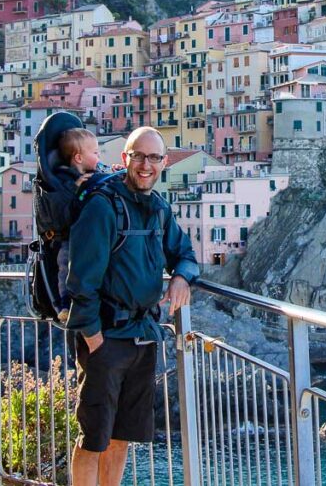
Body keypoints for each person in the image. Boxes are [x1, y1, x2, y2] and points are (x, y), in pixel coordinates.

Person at [65, 126, 199, 486]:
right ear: (124, 159)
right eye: (138, 156)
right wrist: (94, 340)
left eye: (153, 158)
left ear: (164, 162)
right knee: (94, 438)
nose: (145, 165)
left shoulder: (159, 209)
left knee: (121, 436)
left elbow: (184, 253)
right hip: (106, 339)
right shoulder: (101, 206)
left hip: (142, 337)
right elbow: (81, 280)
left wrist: (182, 277)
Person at [53, 127, 103, 322]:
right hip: (70, 237)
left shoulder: (94, 176)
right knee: (65, 265)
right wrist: (75, 188)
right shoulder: (64, 181)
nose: (99, 157)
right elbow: (61, 208)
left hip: (88, 236)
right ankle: (65, 304)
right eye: (95, 153)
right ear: (79, 158)